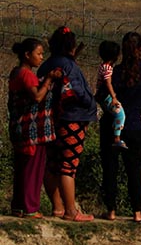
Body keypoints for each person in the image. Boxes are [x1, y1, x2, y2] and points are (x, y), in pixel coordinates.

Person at [38, 26, 97, 222]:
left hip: (51, 119)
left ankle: (57, 207)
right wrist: (91, 104)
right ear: (71, 47)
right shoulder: (69, 66)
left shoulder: (46, 65)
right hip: (72, 118)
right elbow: (78, 92)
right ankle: (71, 211)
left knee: (52, 163)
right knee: (68, 165)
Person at [103, 31, 141, 222]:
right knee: (134, 169)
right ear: (140, 49)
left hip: (113, 125)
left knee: (111, 169)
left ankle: (111, 210)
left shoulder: (114, 73)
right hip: (134, 124)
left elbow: (103, 96)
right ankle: (138, 211)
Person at [8, 38, 61, 218]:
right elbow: (37, 97)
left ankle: (18, 206)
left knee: (22, 168)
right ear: (27, 55)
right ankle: (30, 207)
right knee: (33, 169)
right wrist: (48, 80)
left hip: (19, 128)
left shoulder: (16, 73)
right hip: (31, 130)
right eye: (38, 54)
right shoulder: (26, 75)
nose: (41, 57)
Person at [95, 40, 127, 150]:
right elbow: (108, 83)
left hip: (101, 95)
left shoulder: (102, 66)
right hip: (106, 95)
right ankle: (117, 138)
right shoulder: (108, 68)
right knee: (120, 114)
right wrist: (114, 97)